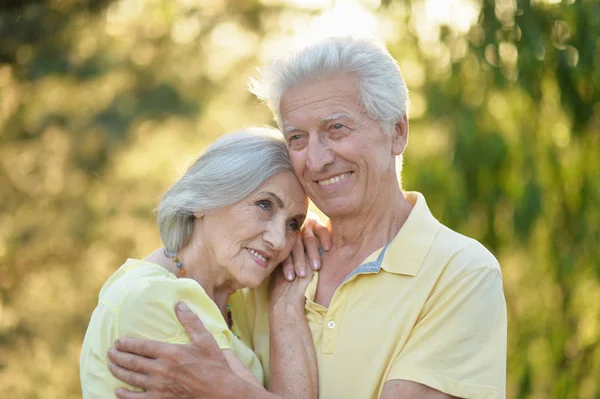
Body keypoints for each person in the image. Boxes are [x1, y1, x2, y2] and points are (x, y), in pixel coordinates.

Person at [108, 36, 507, 399]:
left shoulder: (460, 274)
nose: (316, 160)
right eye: (297, 137)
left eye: (336, 128)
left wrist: (226, 391)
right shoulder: (263, 262)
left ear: (398, 132)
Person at [80, 127, 320, 399]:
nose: (279, 240)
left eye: (293, 224)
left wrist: (285, 304)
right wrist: (287, 310)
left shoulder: (238, 303)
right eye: (264, 205)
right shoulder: (152, 300)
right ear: (205, 199)